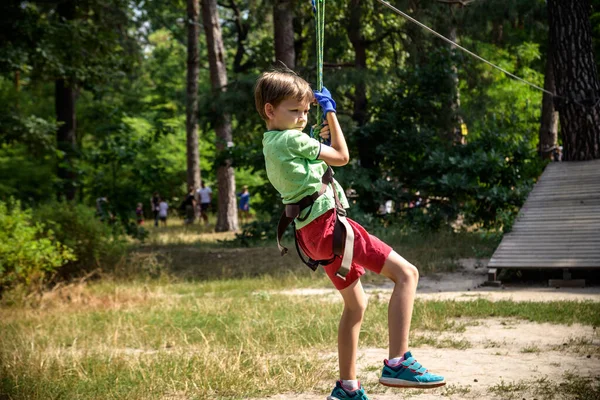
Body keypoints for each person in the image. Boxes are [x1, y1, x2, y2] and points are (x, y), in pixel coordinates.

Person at [255, 69, 445, 400]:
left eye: (305, 111)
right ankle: (398, 363)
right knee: (407, 274)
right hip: (331, 227)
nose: (302, 118)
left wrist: (317, 134)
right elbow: (342, 157)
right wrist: (331, 112)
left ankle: (347, 387)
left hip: (310, 235)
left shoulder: (272, 142)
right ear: (270, 110)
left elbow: (313, 161)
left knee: (356, 305)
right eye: (294, 111)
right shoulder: (294, 139)